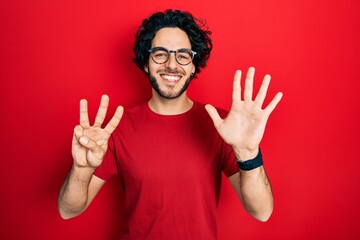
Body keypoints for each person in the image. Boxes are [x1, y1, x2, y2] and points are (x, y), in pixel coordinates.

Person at [58, 9, 283, 239]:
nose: (172, 64)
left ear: (194, 65)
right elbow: (67, 210)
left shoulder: (223, 126)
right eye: (160, 54)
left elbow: (262, 212)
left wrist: (248, 153)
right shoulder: (116, 128)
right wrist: (82, 169)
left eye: (183, 55)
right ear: (146, 63)